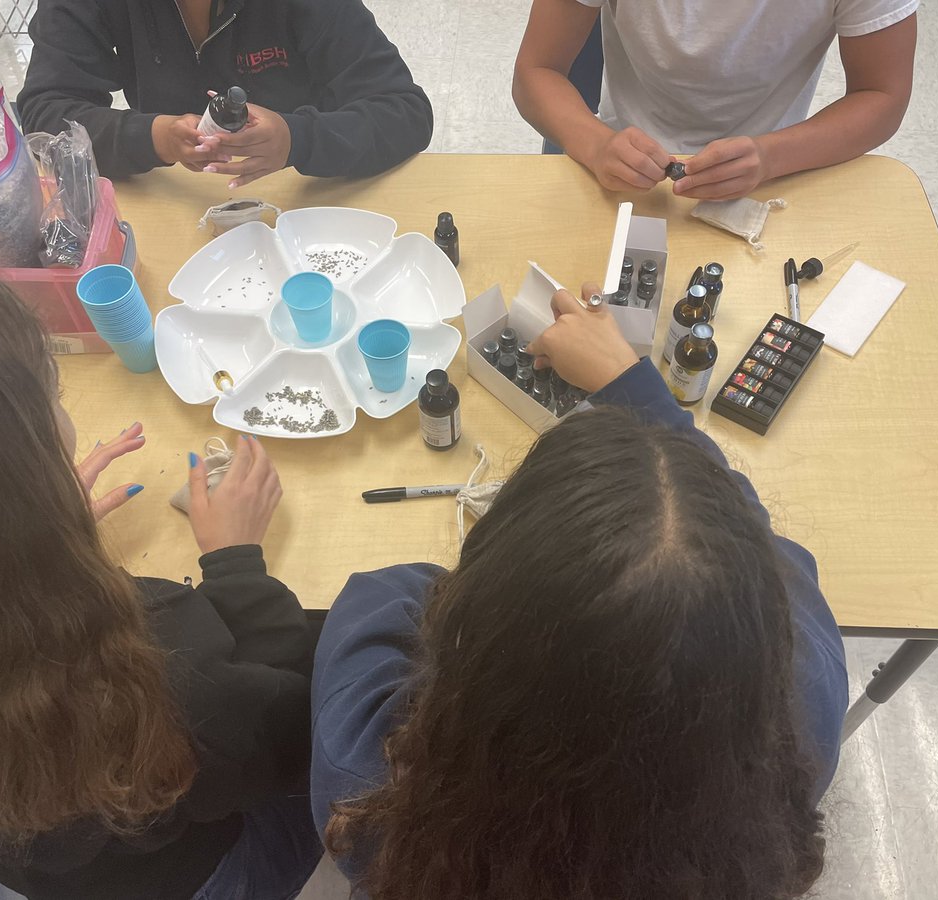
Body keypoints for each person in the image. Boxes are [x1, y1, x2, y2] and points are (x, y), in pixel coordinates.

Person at [310, 284, 848, 899]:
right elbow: (761, 543)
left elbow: (382, 597)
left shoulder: (374, 784)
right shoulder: (807, 706)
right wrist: (634, 384)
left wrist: (497, 586)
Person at [0, 256, 321, 900]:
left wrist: (18, 537)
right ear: (15, 455)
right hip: (202, 874)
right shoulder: (150, 651)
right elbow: (285, 737)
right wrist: (237, 563)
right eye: (50, 392)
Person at [513, 0, 918, 198]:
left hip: (779, 169)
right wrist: (597, 143)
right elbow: (537, 72)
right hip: (625, 166)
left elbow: (882, 95)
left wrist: (772, 157)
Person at [18, 0, 433, 186]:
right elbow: (44, 110)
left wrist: (296, 139)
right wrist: (152, 138)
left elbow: (405, 112)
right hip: (179, 197)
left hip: (304, 197)